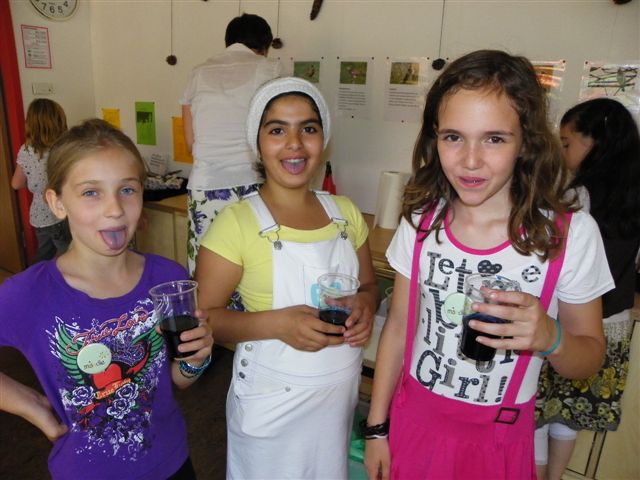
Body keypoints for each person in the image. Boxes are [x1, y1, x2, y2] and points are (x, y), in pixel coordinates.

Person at [362, 50, 614, 480]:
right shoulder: (422, 221)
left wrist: (550, 336)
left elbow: (589, 358)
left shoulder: (569, 236)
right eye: (453, 137)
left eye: (494, 139)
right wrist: (376, 428)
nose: (471, 160)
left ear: (526, 142)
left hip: (499, 439)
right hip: (413, 423)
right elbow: (400, 326)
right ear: (435, 138)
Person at [0, 119, 214, 480]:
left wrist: (195, 359)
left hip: (172, 461)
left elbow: (175, 380)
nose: (115, 209)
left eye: (127, 189)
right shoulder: (28, 295)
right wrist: (32, 406)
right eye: (91, 192)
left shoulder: (168, 278)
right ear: (57, 202)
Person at [195, 77, 379, 479]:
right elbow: (204, 319)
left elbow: (369, 287)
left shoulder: (345, 214)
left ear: (323, 140)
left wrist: (365, 305)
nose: (294, 144)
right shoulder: (236, 224)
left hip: (336, 402)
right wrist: (277, 324)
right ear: (258, 143)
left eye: (308, 129)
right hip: (271, 409)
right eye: (277, 130)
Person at [535, 98, 640, 480]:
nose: (562, 152)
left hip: (569, 323)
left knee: (538, 413)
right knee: (570, 414)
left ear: (594, 142)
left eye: (566, 142)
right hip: (614, 324)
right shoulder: (634, 192)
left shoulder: (576, 196)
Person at [180, 13, 283, 276]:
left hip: (205, 185)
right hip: (254, 185)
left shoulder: (197, 73)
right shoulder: (270, 70)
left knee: (209, 268)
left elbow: (190, 142)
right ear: (265, 46)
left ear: (228, 42)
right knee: (255, 267)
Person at [11, 98, 71, 263]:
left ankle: (36, 277)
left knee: (44, 254)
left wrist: (35, 180)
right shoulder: (64, 149)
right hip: (60, 213)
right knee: (67, 253)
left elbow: (16, 183)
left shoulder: (26, 150)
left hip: (39, 216)